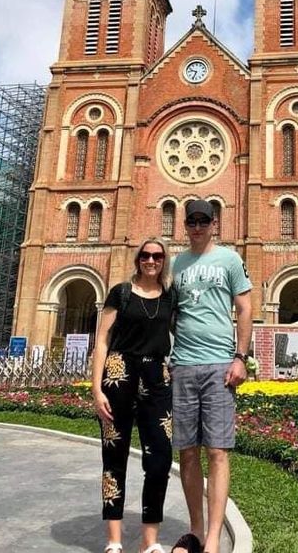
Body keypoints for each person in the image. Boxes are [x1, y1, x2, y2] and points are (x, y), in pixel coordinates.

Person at [170, 200, 252, 553]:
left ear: (214, 223)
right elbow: (169, 313)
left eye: (204, 220)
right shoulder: (176, 264)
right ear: (185, 225)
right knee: (187, 453)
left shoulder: (231, 260)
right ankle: (196, 530)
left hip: (220, 365)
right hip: (184, 365)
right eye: (192, 221)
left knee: (217, 451)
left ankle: (215, 539)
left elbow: (245, 307)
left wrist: (240, 357)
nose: (198, 226)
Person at [92, 237, 174, 553]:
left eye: (157, 256)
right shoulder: (121, 293)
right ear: (137, 258)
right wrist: (96, 388)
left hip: (156, 377)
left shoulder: (170, 297)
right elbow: (102, 340)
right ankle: (114, 541)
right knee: (114, 458)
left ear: (164, 260)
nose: (150, 260)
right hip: (118, 374)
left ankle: (149, 542)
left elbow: (186, 333)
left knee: (160, 461)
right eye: (145, 255)